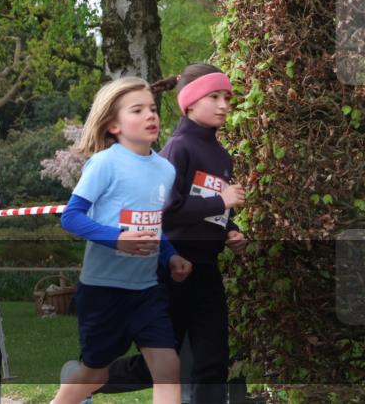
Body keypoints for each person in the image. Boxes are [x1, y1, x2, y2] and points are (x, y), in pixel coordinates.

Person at [84, 64, 247, 404]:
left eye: (227, 98)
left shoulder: (220, 154)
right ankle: (85, 381)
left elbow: (209, 210)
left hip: (206, 268)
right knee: (157, 365)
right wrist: (222, 200)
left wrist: (230, 230)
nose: (223, 105)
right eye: (214, 96)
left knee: (213, 358)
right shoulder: (179, 148)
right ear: (188, 103)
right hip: (175, 268)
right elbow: (169, 211)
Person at [54, 77, 193, 404]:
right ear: (114, 125)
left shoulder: (164, 170)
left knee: (167, 367)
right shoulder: (105, 163)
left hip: (146, 290)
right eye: (138, 110)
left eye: (153, 109)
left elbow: (152, 226)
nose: (151, 116)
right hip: (103, 290)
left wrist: (170, 256)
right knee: (96, 373)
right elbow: (71, 217)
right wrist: (117, 239)